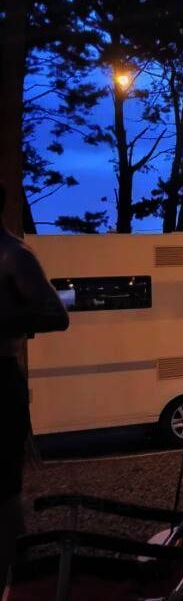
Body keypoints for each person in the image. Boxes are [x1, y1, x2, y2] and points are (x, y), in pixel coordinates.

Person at [0, 183, 69, 589]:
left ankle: (15, 579)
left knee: (3, 490)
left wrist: (5, 321)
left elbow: (56, 315)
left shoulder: (14, 255)